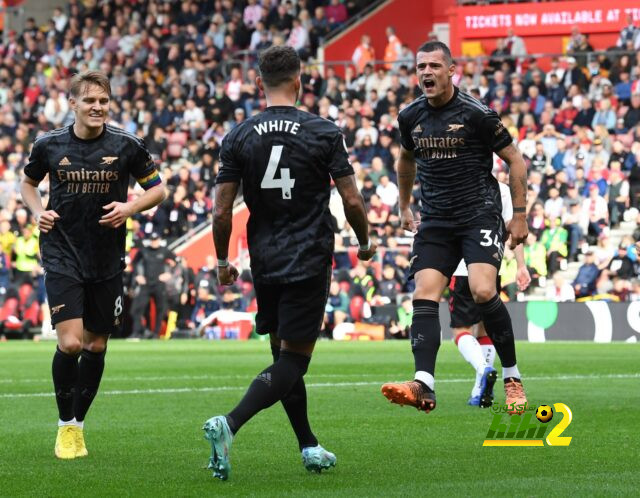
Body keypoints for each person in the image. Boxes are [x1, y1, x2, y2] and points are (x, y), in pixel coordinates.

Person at [202, 46, 375, 481]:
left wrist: (223, 260)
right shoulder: (322, 131)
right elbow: (351, 197)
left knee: (282, 355)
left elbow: (222, 211)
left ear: (258, 83)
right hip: (309, 255)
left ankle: (308, 445)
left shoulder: (239, 135)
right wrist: (365, 240)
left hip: (265, 257)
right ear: (299, 81)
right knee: (294, 361)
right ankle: (230, 424)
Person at [20, 70, 166, 459]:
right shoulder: (49, 145)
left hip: (106, 258)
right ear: (73, 104)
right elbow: (28, 184)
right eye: (89, 101)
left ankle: (79, 426)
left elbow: (158, 188)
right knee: (70, 344)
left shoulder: (128, 145)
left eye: (103, 101)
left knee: (96, 345)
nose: (97, 107)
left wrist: (130, 206)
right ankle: (65, 426)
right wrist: (38, 212)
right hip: (62, 252)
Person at [379, 41, 528, 416]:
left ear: (451, 70)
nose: (426, 72)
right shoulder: (410, 116)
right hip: (436, 219)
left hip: (478, 213)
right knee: (424, 294)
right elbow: (405, 161)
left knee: (481, 290)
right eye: (420, 67)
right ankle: (423, 384)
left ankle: (512, 377)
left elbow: (515, 160)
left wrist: (520, 214)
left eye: (433, 66)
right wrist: (404, 204)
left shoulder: (478, 114)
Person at [448, 182, 531, 408]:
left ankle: (483, 370)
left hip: (462, 269)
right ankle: (478, 391)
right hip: (491, 269)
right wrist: (521, 265)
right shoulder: (503, 190)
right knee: (485, 328)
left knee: (461, 330)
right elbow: (515, 231)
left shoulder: (456, 184)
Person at [128, 232, 176, 338]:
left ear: (159, 239)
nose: (154, 242)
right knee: (137, 309)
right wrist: (137, 275)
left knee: (161, 309)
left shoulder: (165, 250)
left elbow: (177, 262)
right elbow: (134, 263)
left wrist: (170, 273)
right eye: (152, 240)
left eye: (156, 239)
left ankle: (156, 334)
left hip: (159, 284)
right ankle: (137, 332)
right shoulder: (144, 250)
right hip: (146, 283)